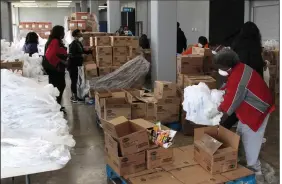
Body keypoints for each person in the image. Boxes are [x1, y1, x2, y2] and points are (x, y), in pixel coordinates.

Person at [215, 48, 275, 183]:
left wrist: (218, 115)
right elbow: (230, 87)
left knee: (250, 139)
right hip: (255, 104)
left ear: (227, 64)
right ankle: (242, 158)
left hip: (257, 110)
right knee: (241, 131)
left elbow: (231, 102)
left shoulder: (238, 76)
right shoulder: (240, 67)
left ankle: (255, 170)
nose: (220, 69)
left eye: (221, 67)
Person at [222, 22, 266, 130]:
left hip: (241, 80)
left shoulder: (237, 44)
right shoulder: (255, 46)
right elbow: (255, 65)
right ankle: (222, 129)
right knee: (241, 108)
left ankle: (222, 128)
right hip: (252, 85)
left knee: (237, 107)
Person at [43, 25, 68, 113]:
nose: (64, 33)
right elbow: (50, 55)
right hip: (55, 69)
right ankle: (56, 106)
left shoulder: (55, 41)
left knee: (59, 86)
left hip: (55, 69)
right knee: (58, 87)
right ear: (60, 33)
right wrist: (61, 62)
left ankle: (57, 105)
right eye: (63, 32)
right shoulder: (55, 41)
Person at [68, 29, 92, 103]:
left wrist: (90, 51)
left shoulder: (78, 43)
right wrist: (81, 55)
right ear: (75, 35)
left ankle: (78, 95)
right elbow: (71, 55)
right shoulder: (73, 44)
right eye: (79, 34)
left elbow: (82, 51)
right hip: (73, 65)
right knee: (74, 81)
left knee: (78, 81)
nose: (81, 35)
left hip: (78, 65)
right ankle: (74, 96)